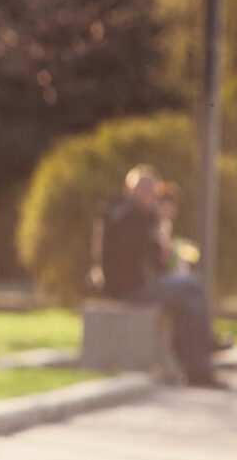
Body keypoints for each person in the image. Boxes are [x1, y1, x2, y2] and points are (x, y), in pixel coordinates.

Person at [94, 165, 223, 387]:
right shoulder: (129, 215)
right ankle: (204, 350)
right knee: (193, 285)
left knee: (190, 302)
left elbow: (155, 262)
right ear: (130, 190)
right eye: (145, 190)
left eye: (152, 191)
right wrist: (159, 236)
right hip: (129, 289)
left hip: (137, 284)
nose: (150, 196)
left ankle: (197, 369)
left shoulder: (134, 215)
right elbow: (142, 256)